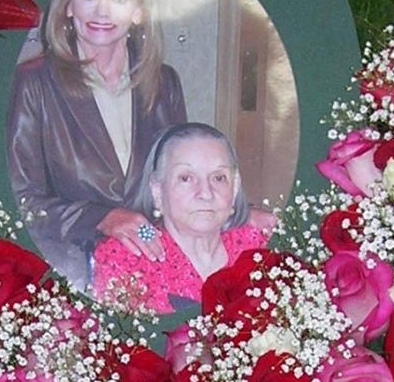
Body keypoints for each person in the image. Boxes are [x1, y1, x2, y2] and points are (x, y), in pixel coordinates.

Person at [6, 0, 187, 289]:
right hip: (70, 276)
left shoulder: (165, 82)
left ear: (138, 12)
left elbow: (180, 185)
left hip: (155, 270)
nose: (102, 11)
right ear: (69, 5)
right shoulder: (33, 82)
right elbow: (21, 200)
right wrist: (102, 218)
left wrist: (238, 214)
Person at [91, 123, 266, 313]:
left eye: (218, 178)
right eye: (186, 178)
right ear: (157, 191)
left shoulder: (261, 247)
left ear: (235, 187)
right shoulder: (125, 259)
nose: (206, 193)